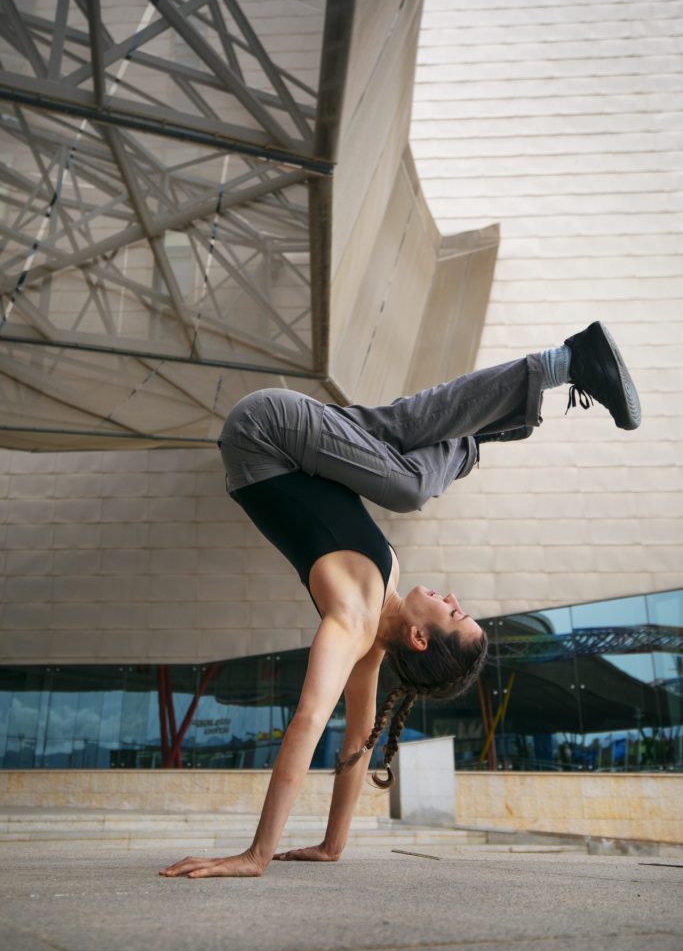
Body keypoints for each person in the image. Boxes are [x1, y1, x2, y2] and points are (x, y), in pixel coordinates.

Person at [160, 321, 640, 879]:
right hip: (287, 441)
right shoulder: (385, 585)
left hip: (261, 435)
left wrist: (263, 854)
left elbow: (327, 731)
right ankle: (502, 414)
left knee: (411, 476)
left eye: (454, 613)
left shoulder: (352, 628)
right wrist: (332, 841)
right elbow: (357, 744)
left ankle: (505, 413)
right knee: (404, 453)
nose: (452, 598)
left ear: (419, 636)